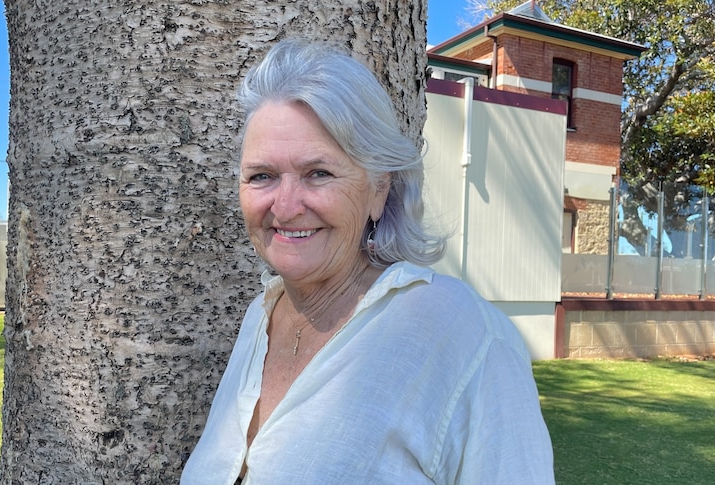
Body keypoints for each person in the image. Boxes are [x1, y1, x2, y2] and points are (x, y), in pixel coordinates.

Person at [181, 39, 554, 484]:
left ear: (379, 188)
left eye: (318, 173)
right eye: (262, 176)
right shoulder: (258, 320)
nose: (284, 205)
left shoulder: (466, 337)